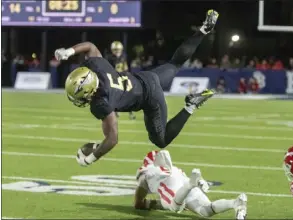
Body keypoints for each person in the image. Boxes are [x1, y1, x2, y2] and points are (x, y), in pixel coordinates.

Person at [54, 10, 219, 166]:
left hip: (149, 98)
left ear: (90, 90)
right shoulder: (97, 67)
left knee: (161, 141)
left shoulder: (100, 102)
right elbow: (90, 46)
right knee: (175, 63)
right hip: (147, 77)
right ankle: (204, 30)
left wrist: (91, 158)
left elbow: (112, 139)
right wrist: (69, 51)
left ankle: (190, 105)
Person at [134, 150, 248, 219]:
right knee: (206, 211)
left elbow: (138, 203)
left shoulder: (148, 173)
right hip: (183, 182)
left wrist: (151, 204)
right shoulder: (174, 168)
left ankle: (191, 184)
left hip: (175, 184)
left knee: (174, 207)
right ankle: (236, 203)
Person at [105, 41, 136, 120]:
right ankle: (115, 111)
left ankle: (130, 113)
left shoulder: (123, 57)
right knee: (114, 95)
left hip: (123, 77)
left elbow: (126, 68)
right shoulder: (110, 58)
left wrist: (128, 76)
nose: (117, 52)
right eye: (115, 50)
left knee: (128, 95)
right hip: (114, 79)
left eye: (118, 50)